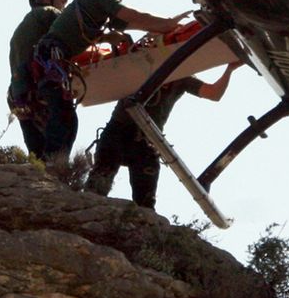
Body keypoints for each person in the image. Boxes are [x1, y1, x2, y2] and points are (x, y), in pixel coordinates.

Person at [33, 0, 184, 163]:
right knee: (61, 115)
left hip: (52, 56)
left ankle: (55, 164)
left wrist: (164, 28)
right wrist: (168, 24)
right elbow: (135, 15)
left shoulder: (97, 5)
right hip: (53, 55)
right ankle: (49, 164)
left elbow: (133, 23)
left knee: (67, 118)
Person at [85, 61, 239, 210]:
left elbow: (214, 94)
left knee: (145, 202)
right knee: (96, 188)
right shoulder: (141, 64)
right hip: (118, 132)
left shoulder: (182, 78)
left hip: (147, 141)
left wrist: (229, 69)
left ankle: (142, 230)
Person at [7, 0, 67, 158]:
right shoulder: (48, 13)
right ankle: (56, 170)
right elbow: (73, 32)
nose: (64, 6)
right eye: (61, 1)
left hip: (17, 95)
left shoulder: (24, 26)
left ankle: (38, 170)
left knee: (36, 146)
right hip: (39, 90)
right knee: (66, 124)